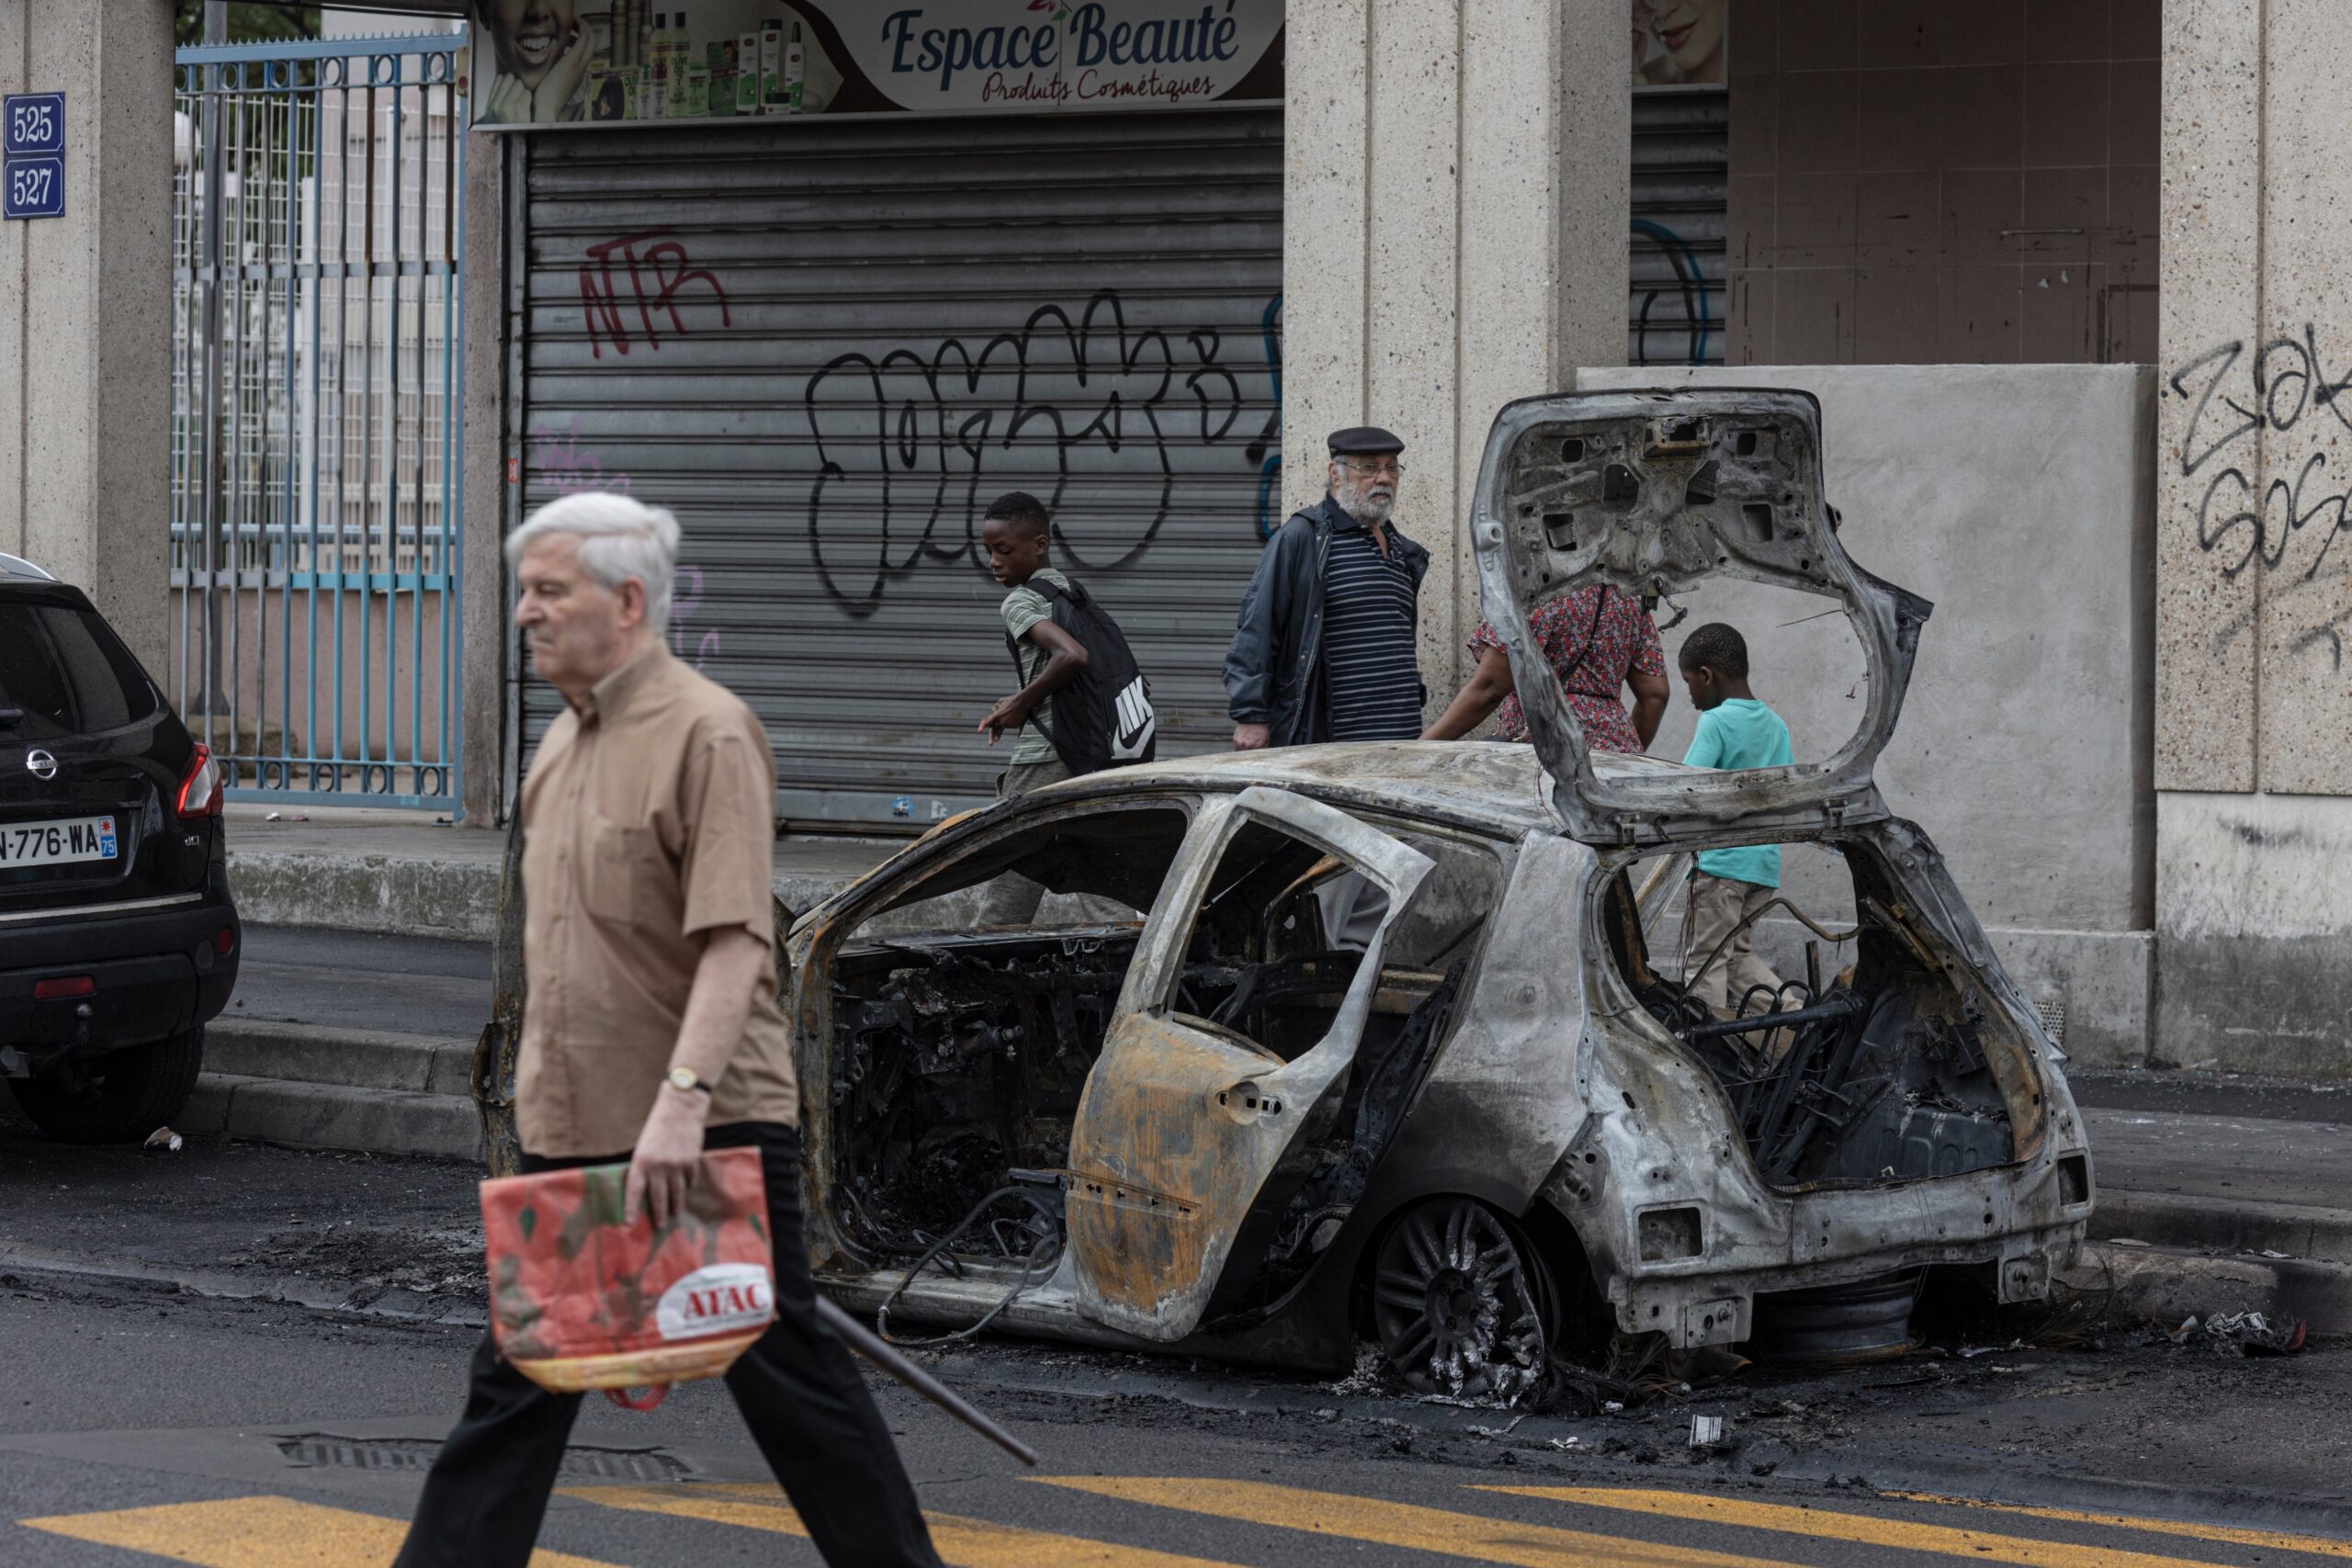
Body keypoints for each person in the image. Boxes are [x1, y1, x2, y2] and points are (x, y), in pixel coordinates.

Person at [395, 493, 942, 1568]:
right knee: (523, 1380)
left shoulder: (708, 730)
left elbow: (740, 944)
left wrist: (682, 1106)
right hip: (579, 1121)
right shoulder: (561, 740)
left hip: (702, 1129)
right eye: (525, 591)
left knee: (792, 1386)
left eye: (551, 590)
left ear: (629, 600)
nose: (526, 614)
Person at [1225, 426, 1430, 750]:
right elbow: (1257, 628)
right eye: (1369, 467)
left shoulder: (1403, 551)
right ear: (1335, 474)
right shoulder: (1301, 539)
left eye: (1392, 467)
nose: (1384, 478)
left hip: (1401, 736)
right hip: (1330, 741)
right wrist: (1251, 715)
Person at [1675, 621, 1796, 1019]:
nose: (1690, 693)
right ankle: (1795, 1021)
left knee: (1705, 962)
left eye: (1689, 682)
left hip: (1721, 866)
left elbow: (1688, 788)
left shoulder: (1716, 721)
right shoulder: (1776, 725)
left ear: (1707, 676)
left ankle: (1704, 1054)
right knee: (1738, 956)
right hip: (1761, 866)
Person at [1420, 585, 1670, 750]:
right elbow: (1655, 694)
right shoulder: (1628, 596)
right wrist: (1618, 749)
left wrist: (1419, 749)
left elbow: (1490, 687)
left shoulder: (1539, 591)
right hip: (1619, 755)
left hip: (1547, 757)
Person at [471, 0, 593, 124]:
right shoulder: (478, 138)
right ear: (483, 12)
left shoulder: (602, 120)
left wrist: (544, 111)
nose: (539, 11)